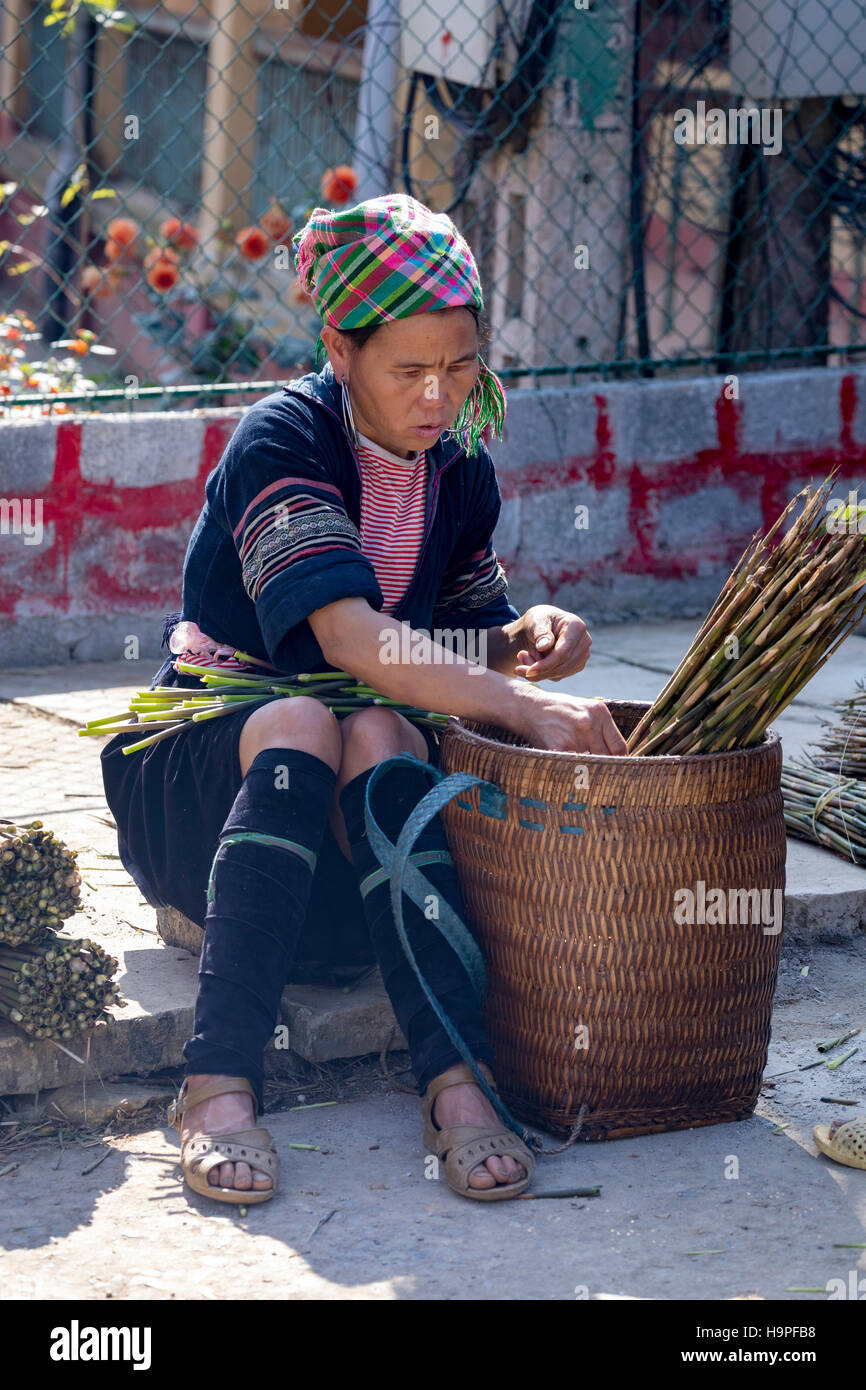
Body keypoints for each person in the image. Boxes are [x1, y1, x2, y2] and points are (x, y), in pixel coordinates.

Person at [100, 192, 628, 1207]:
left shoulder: (457, 471)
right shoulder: (283, 441)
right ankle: (215, 1087)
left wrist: (530, 638)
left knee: (382, 724)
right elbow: (346, 636)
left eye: (460, 364)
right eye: (409, 369)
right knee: (310, 714)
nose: (438, 395)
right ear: (339, 350)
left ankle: (456, 1086)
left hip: (349, 869)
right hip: (214, 809)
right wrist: (516, 708)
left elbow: (459, 634)